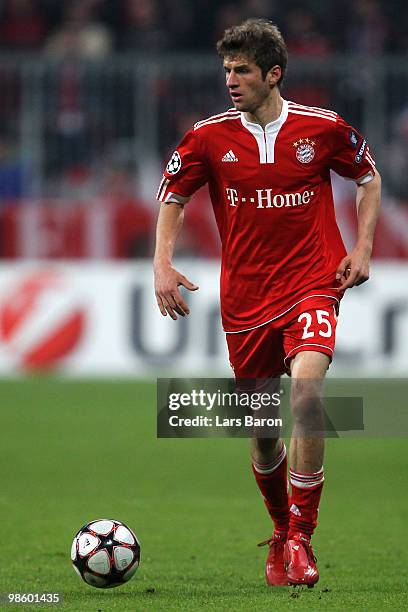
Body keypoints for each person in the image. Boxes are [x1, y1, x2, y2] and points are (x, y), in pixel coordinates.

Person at [153, 19, 381, 587]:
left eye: (242, 71)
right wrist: (161, 263)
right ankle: (280, 529)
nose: (230, 79)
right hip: (246, 299)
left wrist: (362, 247)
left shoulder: (322, 128)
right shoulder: (207, 137)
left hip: (312, 283)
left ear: (273, 74)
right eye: (226, 70)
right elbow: (174, 195)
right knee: (259, 430)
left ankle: (302, 538)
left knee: (306, 393)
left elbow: (368, 178)